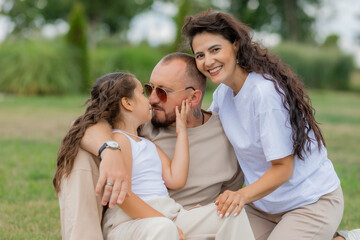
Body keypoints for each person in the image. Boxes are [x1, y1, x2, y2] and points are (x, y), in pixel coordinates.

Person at [181, 9, 346, 240]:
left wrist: (240, 196)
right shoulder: (222, 95)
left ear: (236, 45)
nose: (208, 61)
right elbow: (214, 147)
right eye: (200, 55)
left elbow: (283, 168)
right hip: (264, 206)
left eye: (215, 50)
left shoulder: (264, 93)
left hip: (310, 202)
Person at [54, 72, 255, 239]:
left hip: (169, 213)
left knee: (231, 213)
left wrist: (182, 131)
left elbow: (176, 178)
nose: (149, 99)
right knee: (163, 229)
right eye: (142, 93)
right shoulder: (119, 140)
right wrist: (164, 221)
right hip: (128, 222)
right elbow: (123, 197)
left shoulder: (147, 144)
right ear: (127, 103)